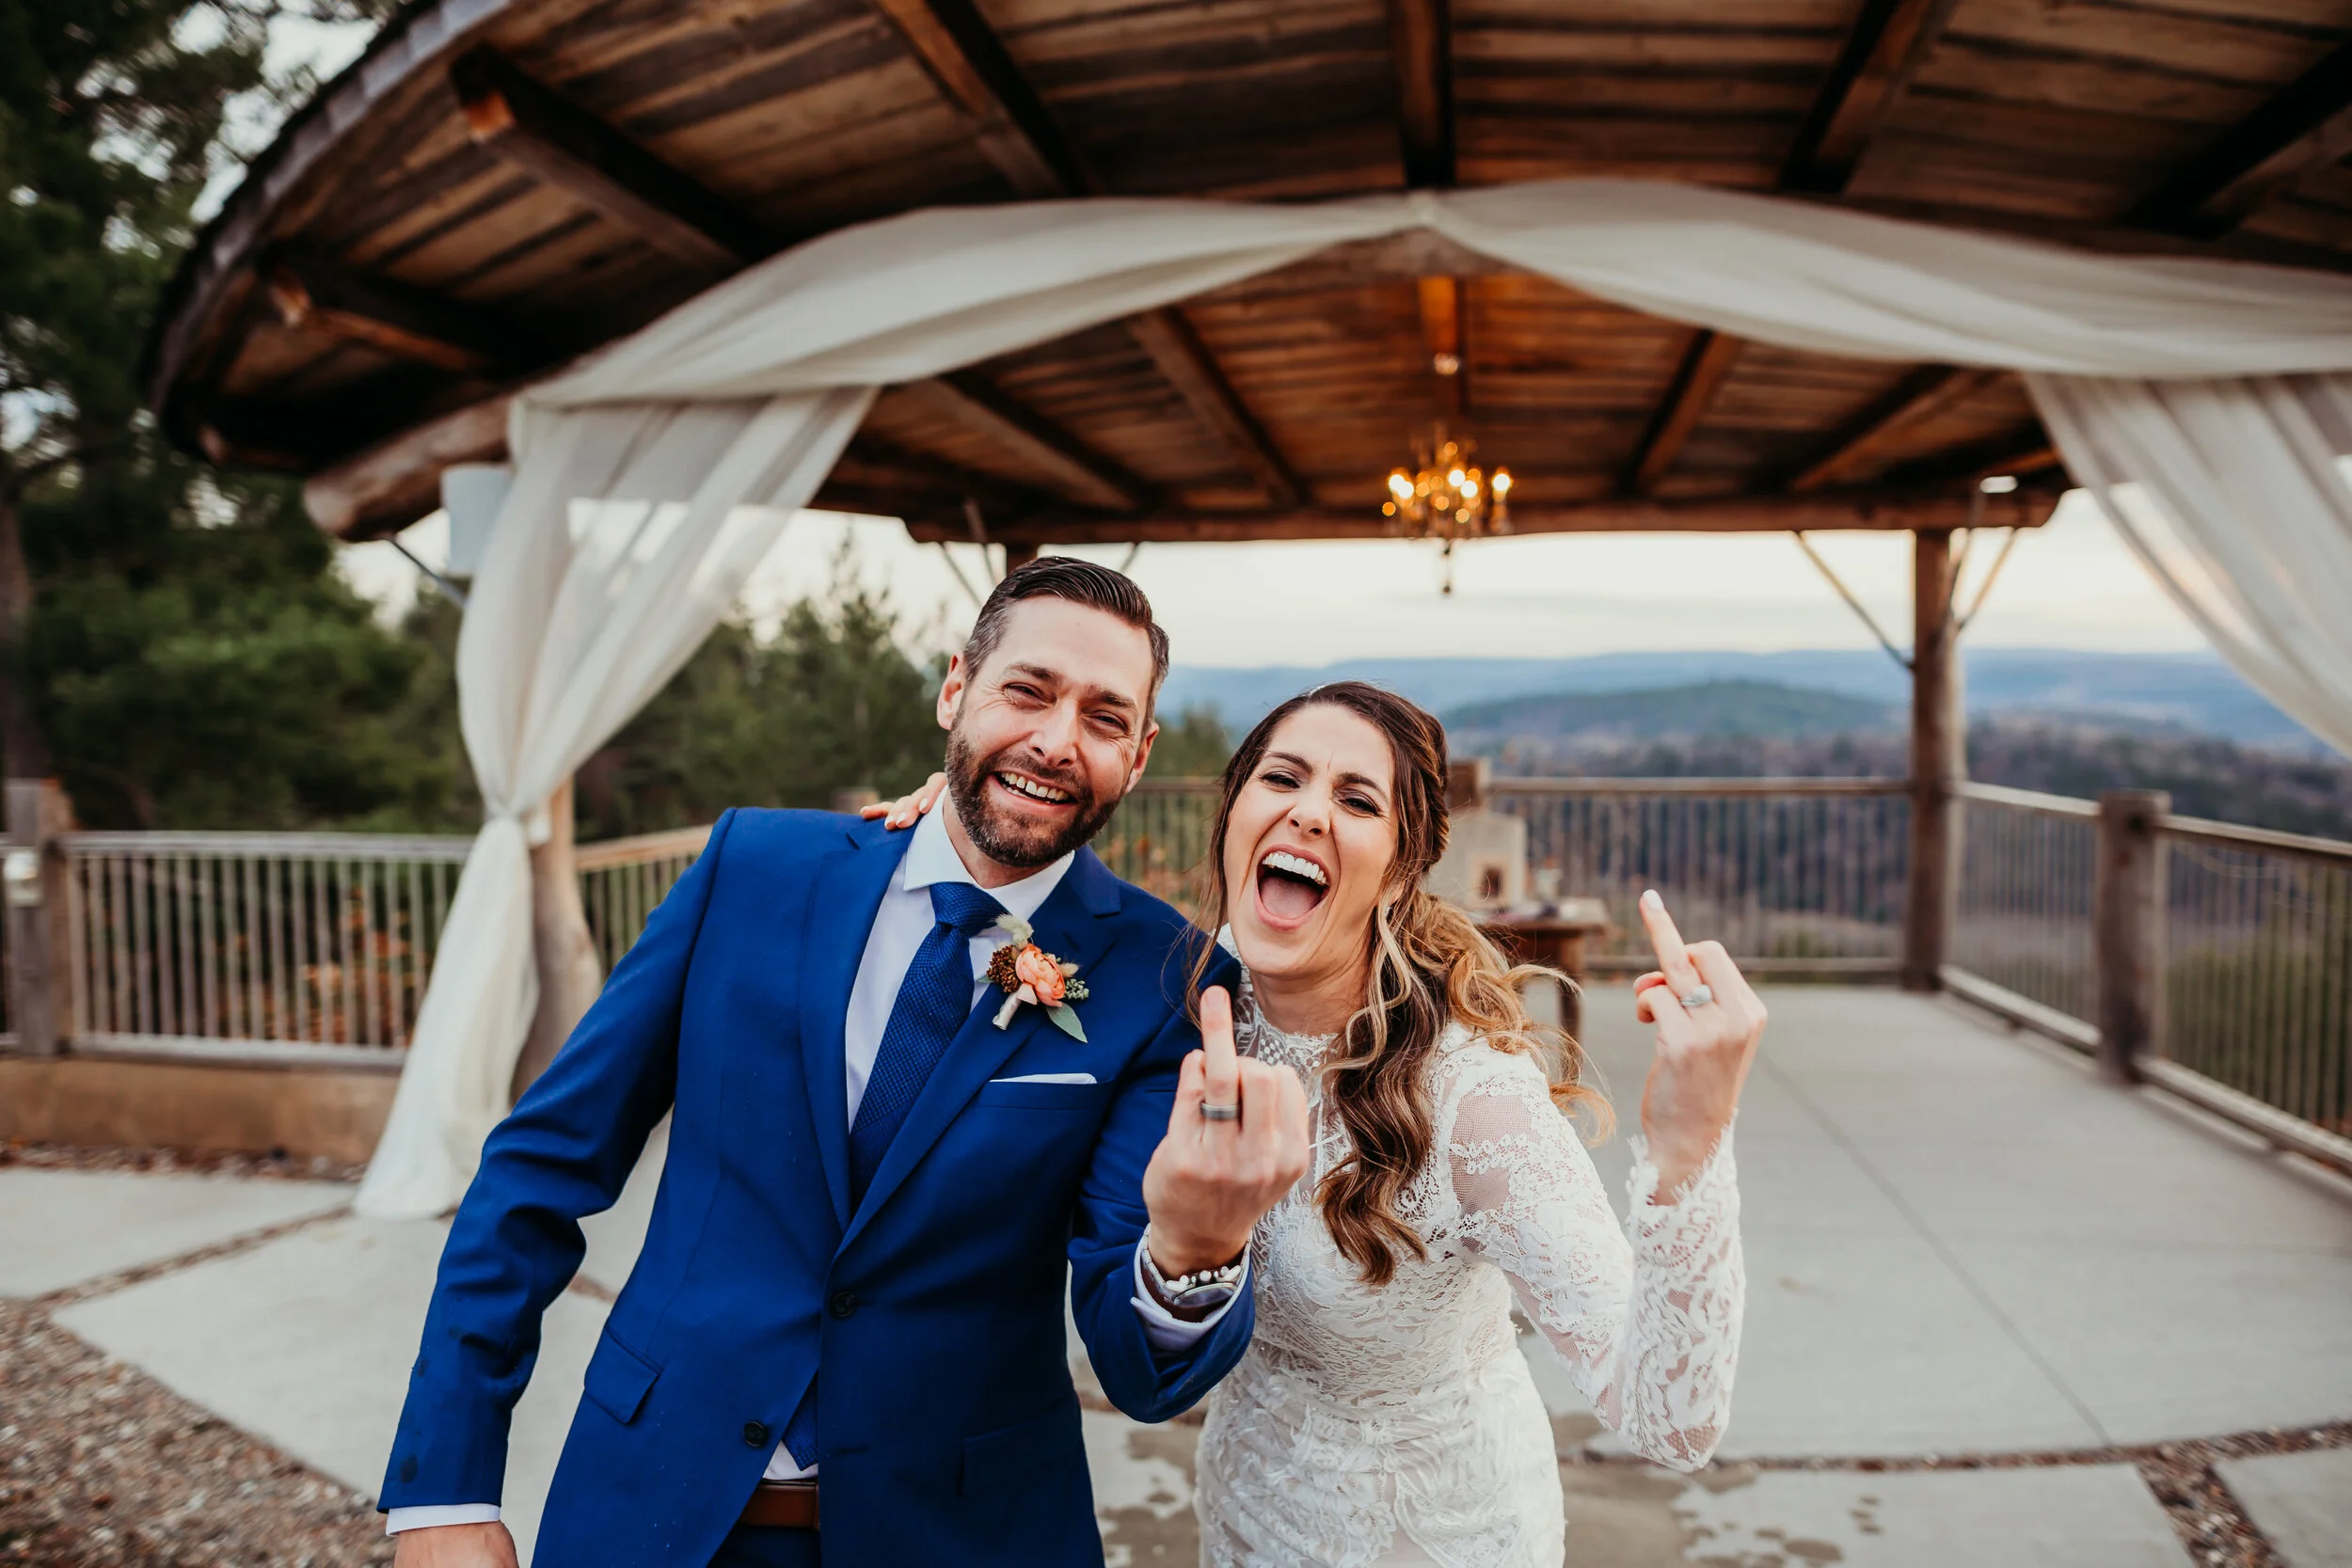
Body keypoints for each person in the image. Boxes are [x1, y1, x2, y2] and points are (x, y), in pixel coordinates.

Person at [379, 560, 1310, 1568]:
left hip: (966, 1535)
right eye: (1028, 690)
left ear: (1137, 755)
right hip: (649, 1504)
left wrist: (1199, 1246)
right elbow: (539, 1167)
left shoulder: (1166, 979)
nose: (1055, 739)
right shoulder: (752, 867)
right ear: (956, 688)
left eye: (1103, 715)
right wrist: (444, 1484)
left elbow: (1141, 1374)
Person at [877, 679, 1756, 1566]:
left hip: (1434, 1537)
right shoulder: (1179, 1001)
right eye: (1282, 778)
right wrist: (955, 831)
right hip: (1245, 1517)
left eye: (1356, 798)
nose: (1307, 814)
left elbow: (1669, 1423)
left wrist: (1691, 1145)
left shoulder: (1475, 1103)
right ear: (1232, 820)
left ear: (1402, 869)